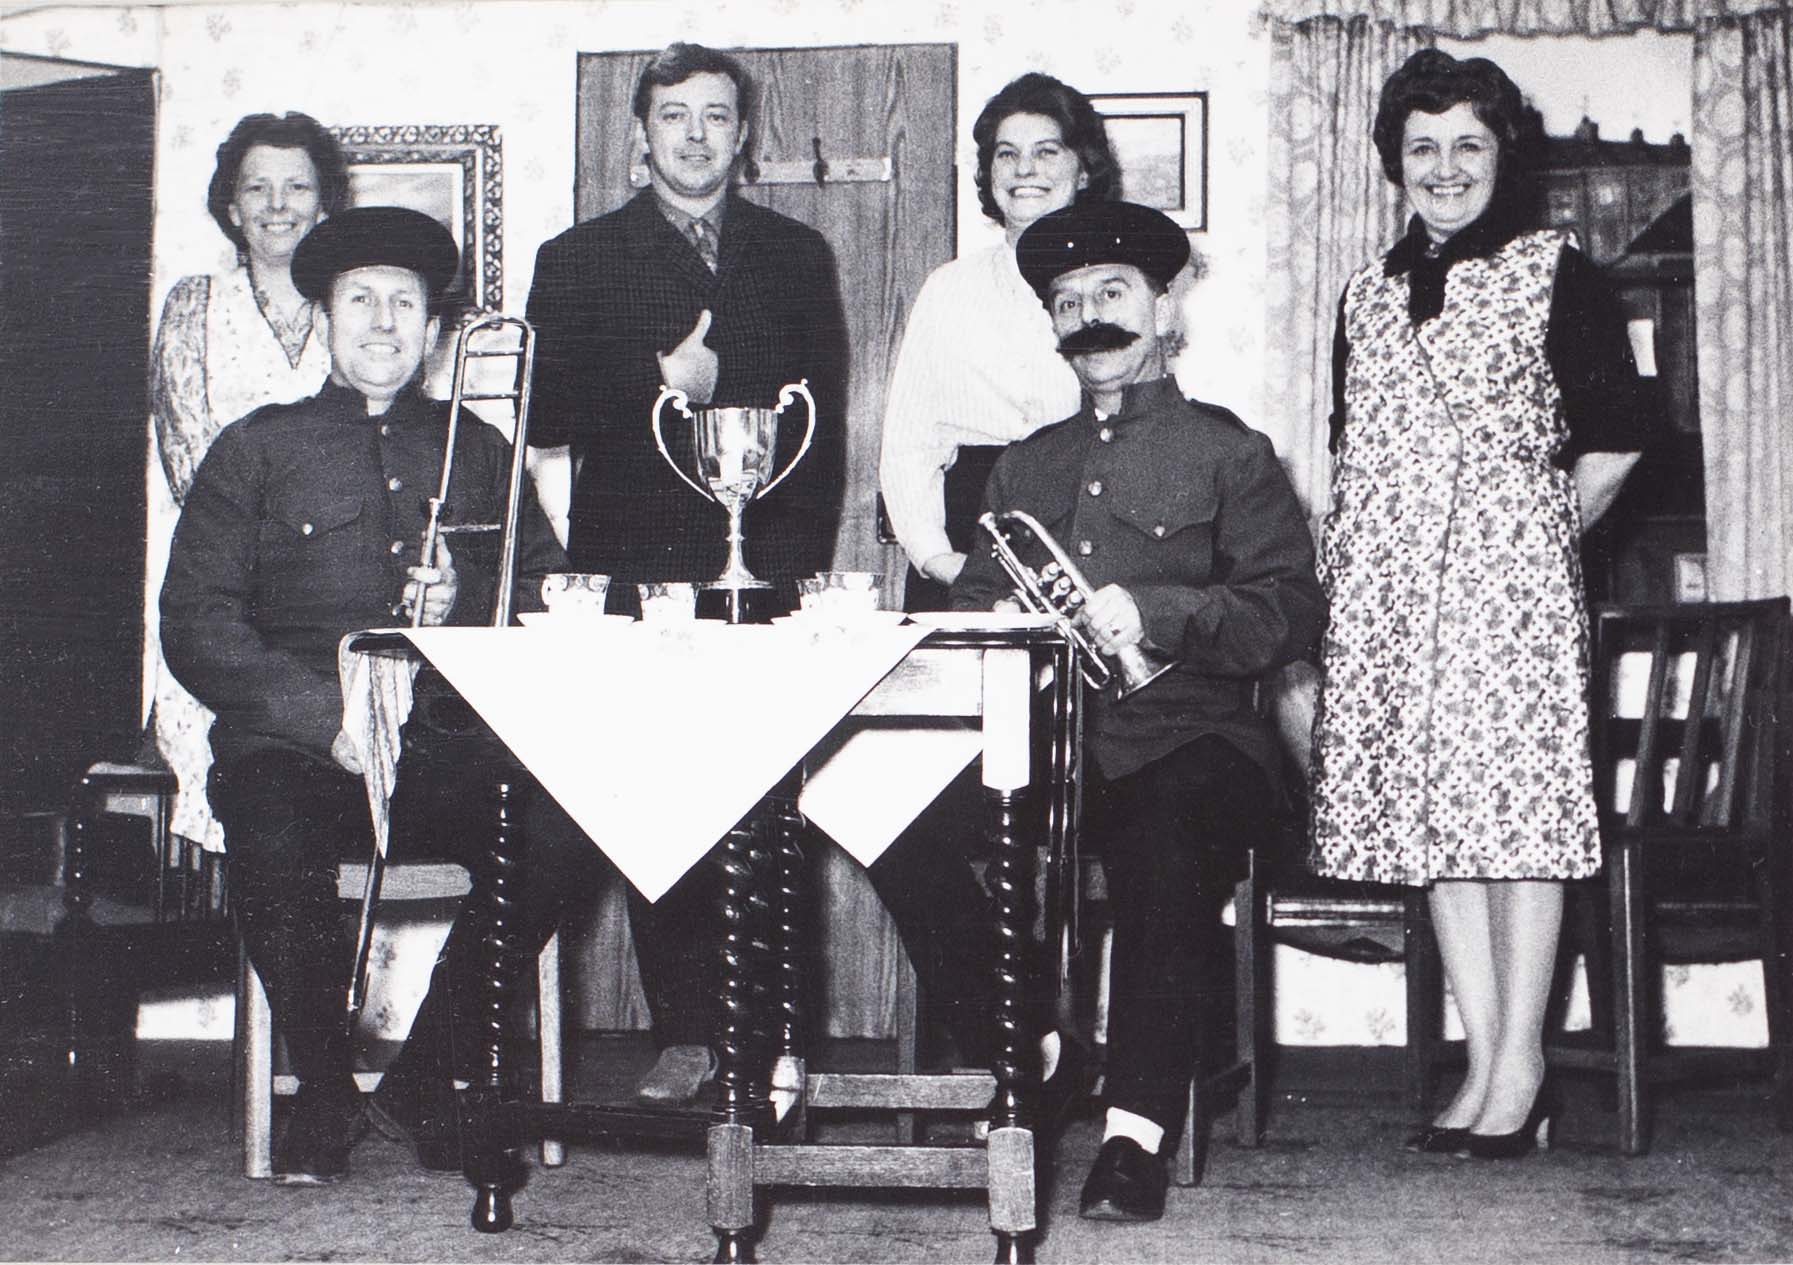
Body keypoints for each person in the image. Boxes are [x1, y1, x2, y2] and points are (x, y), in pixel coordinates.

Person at [161, 206, 613, 1185]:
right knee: (271, 834)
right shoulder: (256, 448)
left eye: (404, 303)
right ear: (323, 315)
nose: (381, 322)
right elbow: (196, 621)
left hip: (440, 748)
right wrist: (324, 718)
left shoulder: (481, 448)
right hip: (302, 750)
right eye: (359, 299)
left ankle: (426, 1067)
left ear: (434, 329)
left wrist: (465, 613)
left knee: (569, 823)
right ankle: (325, 1081)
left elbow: (549, 598)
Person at [951, 200, 1326, 1221]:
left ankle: (1133, 1132)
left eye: (1111, 293)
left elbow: (1288, 613)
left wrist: (1158, 610)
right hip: (1045, 741)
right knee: (903, 822)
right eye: (1066, 302)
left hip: (1193, 736)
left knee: (1166, 829)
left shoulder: (1228, 453)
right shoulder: (1021, 465)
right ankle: (1039, 1040)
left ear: (1163, 309)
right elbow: (969, 612)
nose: (1088, 316)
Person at [1306, 49, 1651, 1161]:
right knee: (1434, 826)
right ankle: (1483, 1053)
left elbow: (1612, 442)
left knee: (1519, 826)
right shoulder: (1365, 292)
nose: (1444, 168)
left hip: (1510, 591)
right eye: (1421, 148)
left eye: (1467, 144)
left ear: (1501, 156)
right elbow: (1352, 448)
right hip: (1389, 592)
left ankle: (1523, 1065)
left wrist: (1528, 541)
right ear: (1392, 164)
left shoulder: (1558, 272)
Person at [524, 42, 849, 1108]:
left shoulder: (797, 255)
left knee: (766, 801)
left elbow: (820, 428)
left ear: (743, 134)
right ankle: (687, 1030)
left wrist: (788, 574)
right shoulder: (575, 259)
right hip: (632, 571)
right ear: (640, 132)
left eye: (716, 115)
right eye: (675, 115)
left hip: (761, 576)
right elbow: (545, 417)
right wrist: (655, 381)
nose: (696, 134)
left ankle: (774, 1038)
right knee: (653, 800)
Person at [146, 111, 348, 856]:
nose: (276, 204)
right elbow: (190, 464)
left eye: (296, 186)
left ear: (324, 204)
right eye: (255, 187)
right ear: (230, 206)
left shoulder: (352, 307)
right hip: (222, 594)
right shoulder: (194, 305)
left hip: (334, 597)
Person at [878, 72, 1120, 610]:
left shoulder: (1117, 291)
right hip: (967, 546)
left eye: (1047, 151)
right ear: (989, 174)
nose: (1025, 169)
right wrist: (940, 560)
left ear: (1083, 172)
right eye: (1007, 154)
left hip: (1084, 544)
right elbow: (909, 442)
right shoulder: (949, 289)